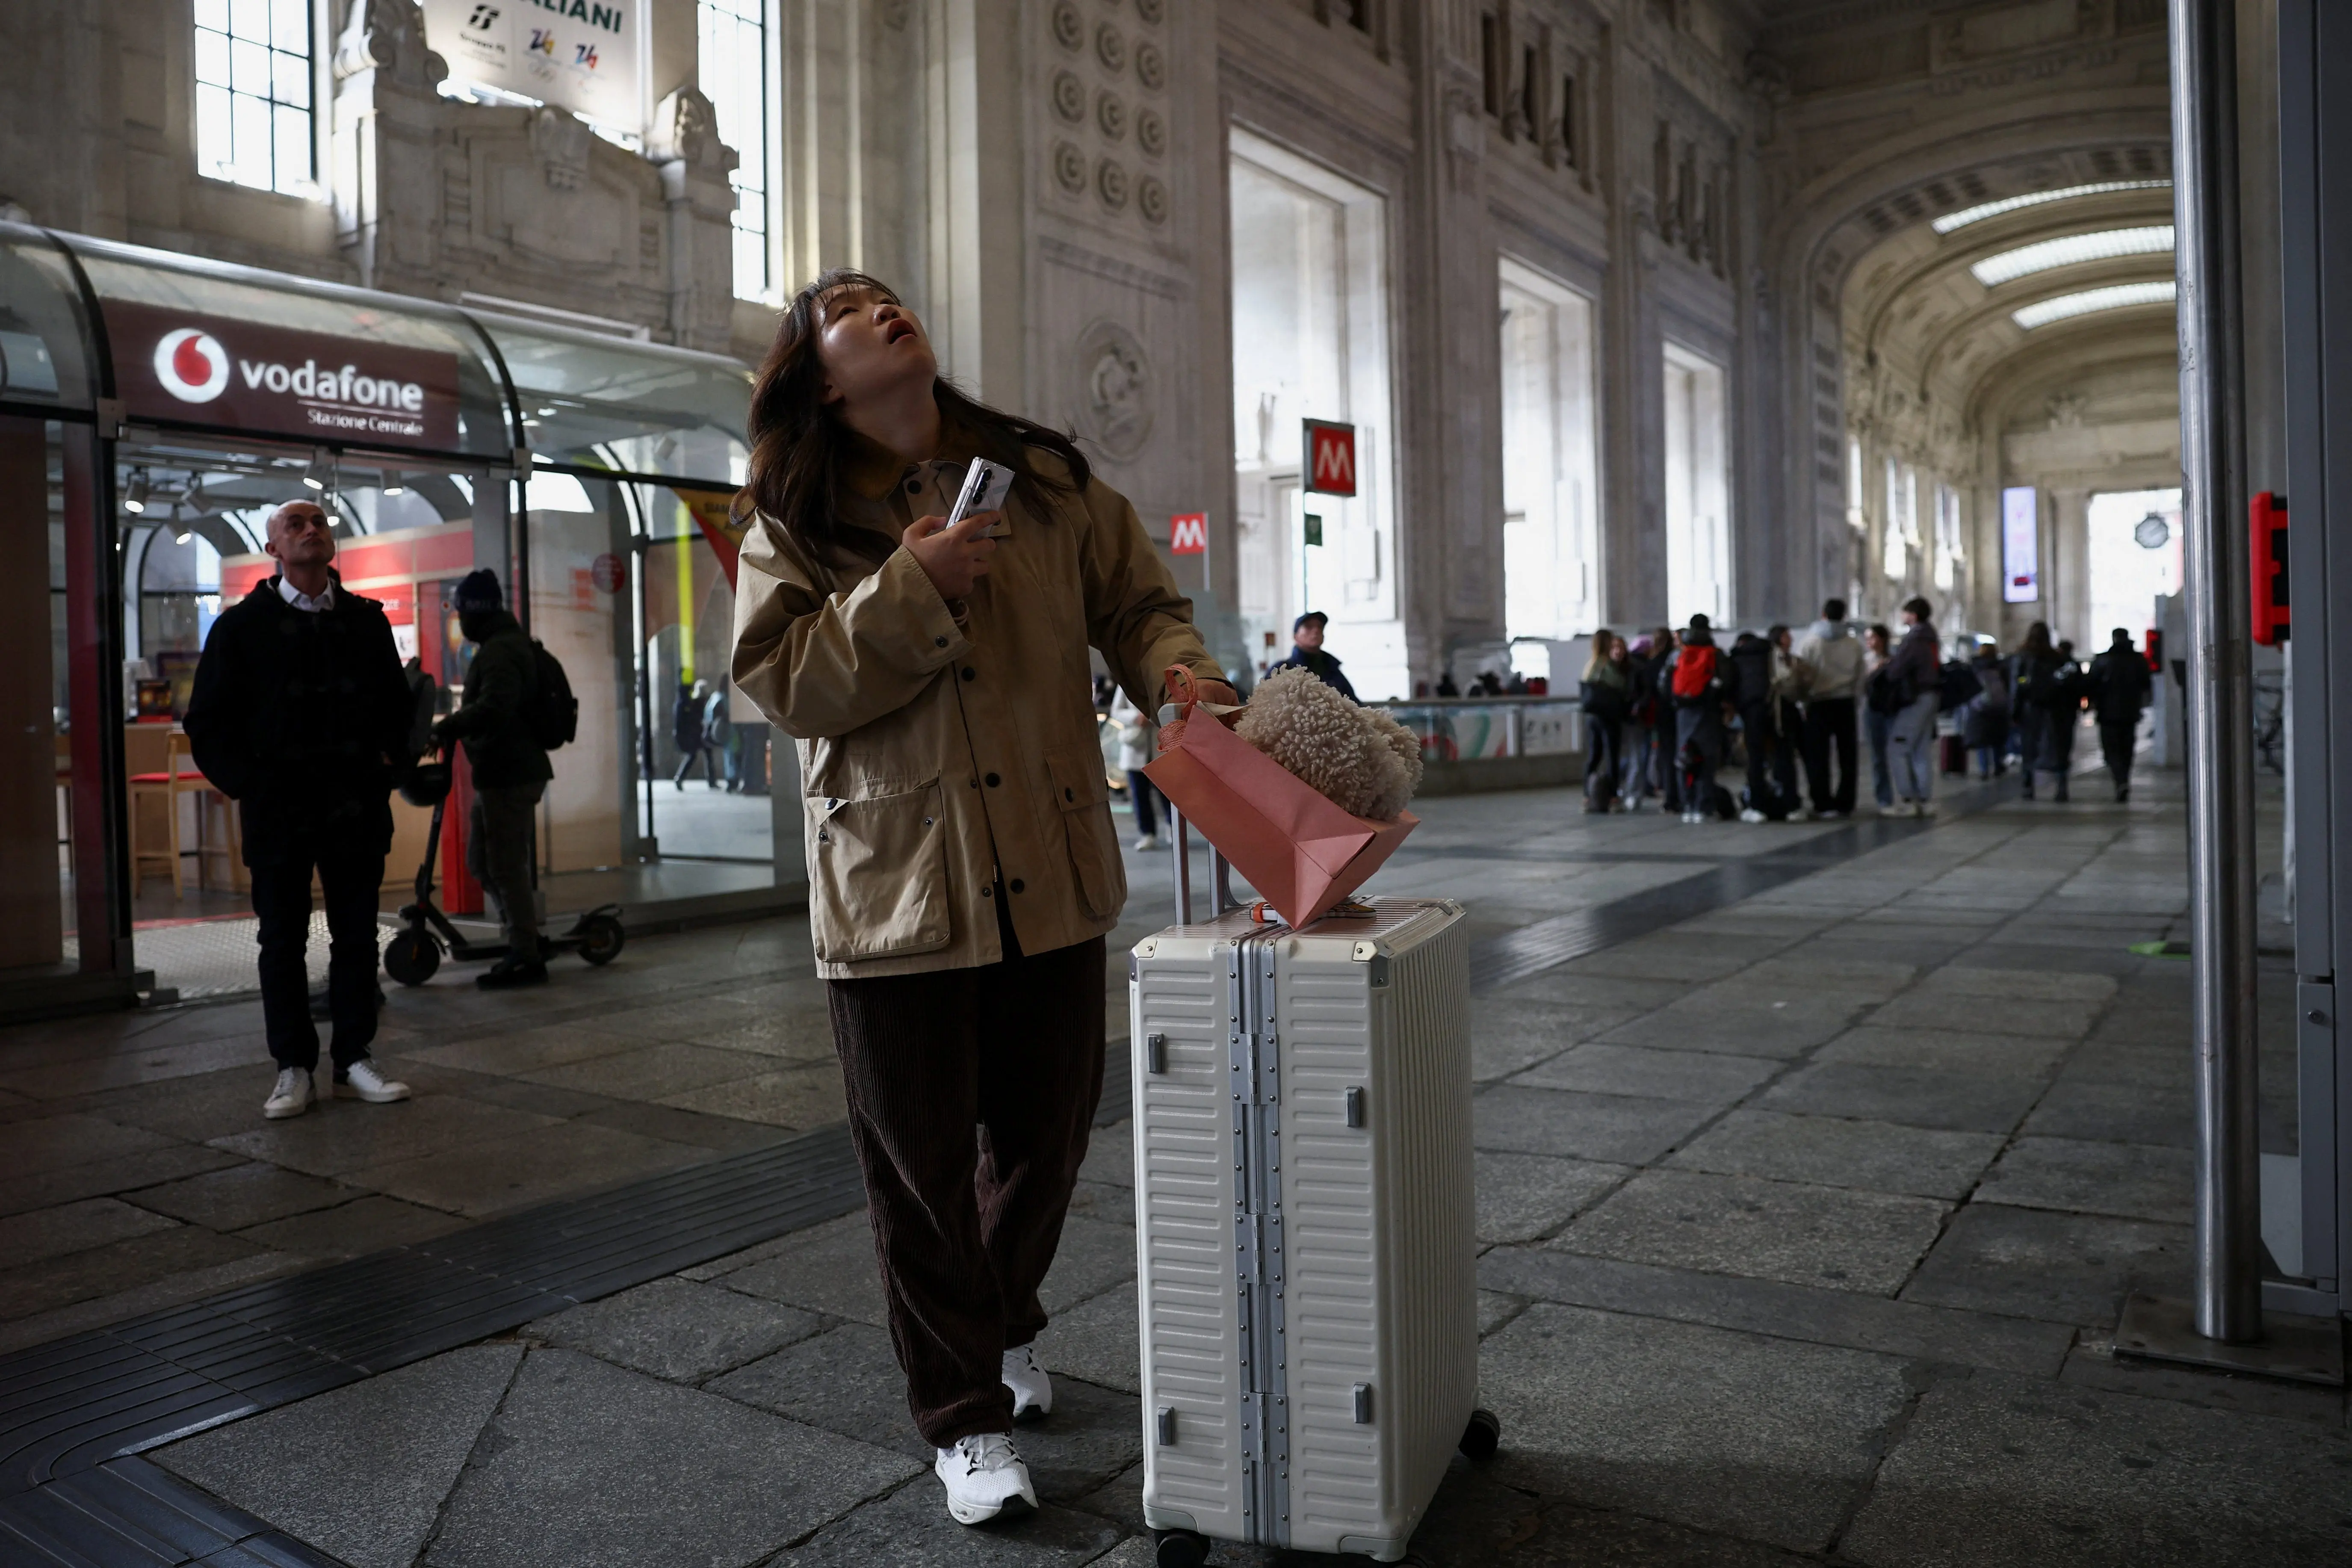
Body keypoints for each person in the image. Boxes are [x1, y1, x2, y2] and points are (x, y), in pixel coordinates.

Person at [728, 269, 1238, 1527]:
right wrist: (909, 586)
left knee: (1048, 1135)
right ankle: (961, 1416)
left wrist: (1177, 675)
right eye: (847, 308)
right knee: (918, 1172)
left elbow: (1138, 601)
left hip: (1047, 871)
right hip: (893, 887)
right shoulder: (793, 519)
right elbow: (785, 681)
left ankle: (1000, 1317)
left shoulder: (1041, 478)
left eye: (888, 296)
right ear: (820, 377)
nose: (881, 308)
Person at [185, 499, 414, 1119]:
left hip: (354, 806)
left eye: (320, 522)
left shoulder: (367, 621)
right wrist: (250, 784)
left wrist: (390, 766)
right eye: (296, 524)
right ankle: (293, 1067)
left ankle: (354, 1057)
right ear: (275, 550)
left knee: (357, 933)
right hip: (279, 809)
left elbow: (398, 709)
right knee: (281, 939)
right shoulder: (240, 627)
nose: (312, 529)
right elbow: (207, 722)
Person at [433, 569, 555, 989]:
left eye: (462, 609)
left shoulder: (501, 652)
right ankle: (522, 937)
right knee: (482, 862)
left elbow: (495, 706)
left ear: (478, 610)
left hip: (511, 772)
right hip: (500, 772)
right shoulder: (498, 645)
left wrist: (449, 726)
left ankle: (525, 953)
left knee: (504, 865)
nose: (460, 618)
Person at [1794, 599, 1864, 818]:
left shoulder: (1810, 642)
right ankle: (1845, 802)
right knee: (1848, 756)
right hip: (1844, 702)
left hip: (1818, 704)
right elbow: (1861, 678)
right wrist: (1856, 699)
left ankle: (1822, 802)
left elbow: (1801, 677)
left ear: (1823, 614)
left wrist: (1803, 702)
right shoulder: (1854, 645)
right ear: (1844, 616)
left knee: (1817, 756)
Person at [1882, 596, 1941, 816]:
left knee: (1898, 747)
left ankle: (1907, 799)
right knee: (1921, 749)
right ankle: (1925, 799)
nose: (1902, 616)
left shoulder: (1915, 639)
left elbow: (1897, 670)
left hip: (1916, 698)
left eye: (1905, 613)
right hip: (1931, 695)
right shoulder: (1931, 637)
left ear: (1913, 616)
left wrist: (1888, 666)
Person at [1669, 614, 1729, 823]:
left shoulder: (1678, 655)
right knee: (1706, 759)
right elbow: (1728, 681)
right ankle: (1704, 807)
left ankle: (1688, 806)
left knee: (1685, 759)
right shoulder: (1716, 654)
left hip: (1683, 714)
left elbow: (1664, 684)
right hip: (1708, 713)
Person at [2086, 628, 2154, 801]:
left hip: (2107, 713)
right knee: (2127, 748)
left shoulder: (2103, 660)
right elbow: (2146, 683)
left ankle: (2119, 779)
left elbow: (2091, 685)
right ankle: (2124, 779)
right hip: (2130, 711)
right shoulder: (2138, 660)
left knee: (2111, 749)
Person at [2007, 620, 2062, 802]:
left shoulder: (2023, 656)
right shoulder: (2055, 657)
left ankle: (2027, 787)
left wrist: (2014, 711)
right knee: (2056, 747)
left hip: (2029, 708)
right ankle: (2061, 787)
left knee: (2028, 750)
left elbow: (2018, 684)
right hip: (2053, 708)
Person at [1578, 630, 1628, 814]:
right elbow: (1619, 684)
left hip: (1592, 717)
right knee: (1612, 756)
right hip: (1608, 717)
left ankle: (1587, 796)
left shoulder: (1590, 665)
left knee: (1594, 756)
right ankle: (1614, 797)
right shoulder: (1606, 665)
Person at [1109, 685, 1164, 848]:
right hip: (1135, 746)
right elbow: (1116, 711)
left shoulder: (1162, 681)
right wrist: (1136, 717)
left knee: (1168, 795)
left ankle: (1172, 827)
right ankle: (1147, 833)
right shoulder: (1125, 684)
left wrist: (1153, 717)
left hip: (1160, 747)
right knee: (1140, 796)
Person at [1619, 633, 1663, 809]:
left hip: (1626, 717)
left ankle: (1626, 791)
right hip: (1637, 718)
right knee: (1639, 756)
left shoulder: (1626, 668)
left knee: (1631, 757)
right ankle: (1634, 793)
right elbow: (1647, 693)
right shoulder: (1641, 667)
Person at [1274, 611, 1359, 700]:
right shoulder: (1281, 670)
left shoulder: (1333, 670)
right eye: (1309, 627)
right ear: (1296, 636)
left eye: (1320, 627)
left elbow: (1355, 705)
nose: (1316, 630)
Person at [1963, 636, 2011, 780]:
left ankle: (1984, 770)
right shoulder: (2002, 666)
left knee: (1981, 739)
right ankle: (1998, 766)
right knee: (1997, 738)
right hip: (2000, 706)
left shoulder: (1975, 666)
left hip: (1980, 707)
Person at [1860, 623, 1896, 812]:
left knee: (1896, 753)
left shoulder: (1894, 660)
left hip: (1890, 710)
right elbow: (1860, 685)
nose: (1869, 642)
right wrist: (1874, 671)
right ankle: (1884, 798)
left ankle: (1905, 794)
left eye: (1872, 638)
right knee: (1877, 756)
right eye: (1867, 639)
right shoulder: (1866, 661)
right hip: (1872, 710)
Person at [672, 677, 718, 787]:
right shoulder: (695, 702)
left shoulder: (691, 701)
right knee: (702, 755)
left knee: (698, 755)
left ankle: (680, 778)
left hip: (697, 733)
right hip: (699, 732)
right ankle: (681, 778)